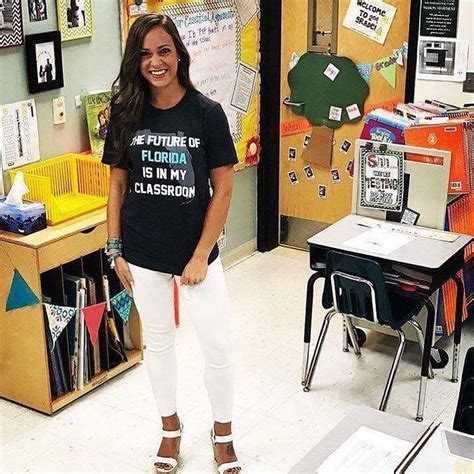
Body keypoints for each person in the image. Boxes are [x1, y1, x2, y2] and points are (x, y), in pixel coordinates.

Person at [101, 13, 241, 474]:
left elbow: (223, 189)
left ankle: (223, 434)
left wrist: (201, 254)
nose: (155, 62)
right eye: (144, 54)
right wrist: (114, 248)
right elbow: (117, 187)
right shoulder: (125, 113)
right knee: (158, 346)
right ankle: (170, 430)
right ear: (134, 61)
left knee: (216, 345)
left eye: (163, 51)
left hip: (197, 254)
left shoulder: (207, 113)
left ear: (179, 53)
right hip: (142, 251)